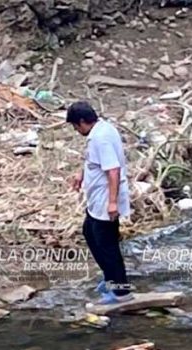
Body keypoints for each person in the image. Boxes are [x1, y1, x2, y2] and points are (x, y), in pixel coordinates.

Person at [66, 101, 134, 304]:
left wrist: (112, 203)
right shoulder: (102, 129)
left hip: (106, 199)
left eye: (75, 127)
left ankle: (121, 291)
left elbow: (113, 170)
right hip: (97, 199)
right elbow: (94, 161)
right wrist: (82, 174)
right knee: (90, 233)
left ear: (82, 122)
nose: (76, 131)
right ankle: (110, 278)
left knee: (107, 245)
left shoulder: (101, 138)